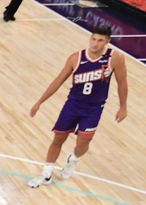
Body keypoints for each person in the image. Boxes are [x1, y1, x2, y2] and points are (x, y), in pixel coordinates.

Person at [28, 26, 128, 188]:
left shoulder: (115, 58)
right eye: (93, 39)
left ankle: (73, 159)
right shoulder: (76, 58)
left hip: (94, 108)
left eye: (100, 40)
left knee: (83, 143)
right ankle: (46, 175)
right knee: (58, 138)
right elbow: (58, 81)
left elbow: (122, 82)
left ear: (107, 42)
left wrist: (123, 106)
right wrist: (40, 101)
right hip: (73, 104)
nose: (95, 43)